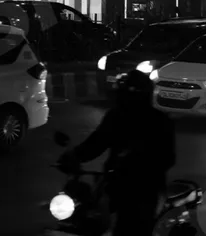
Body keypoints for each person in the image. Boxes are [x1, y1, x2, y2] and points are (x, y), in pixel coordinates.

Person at [58, 69, 175, 235]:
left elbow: (167, 158)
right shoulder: (116, 116)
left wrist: (140, 164)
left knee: (132, 227)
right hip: (115, 184)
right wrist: (73, 156)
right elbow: (96, 143)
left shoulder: (159, 121)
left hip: (145, 190)